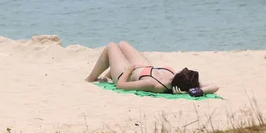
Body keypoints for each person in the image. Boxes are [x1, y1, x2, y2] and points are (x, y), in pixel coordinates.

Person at [85, 41, 219, 96]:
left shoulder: (152, 84)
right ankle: (110, 71)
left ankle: (91, 78)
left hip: (124, 74)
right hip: (144, 68)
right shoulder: (186, 83)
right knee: (122, 44)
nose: (184, 69)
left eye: (185, 71)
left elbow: (121, 85)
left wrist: (128, 70)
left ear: (180, 77)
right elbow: (214, 86)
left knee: (111, 46)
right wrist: (195, 91)